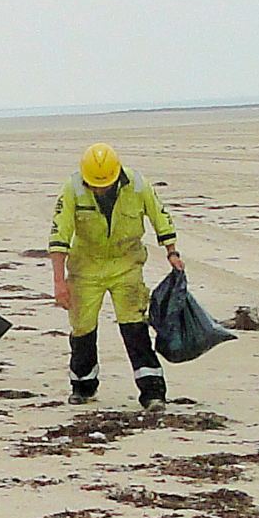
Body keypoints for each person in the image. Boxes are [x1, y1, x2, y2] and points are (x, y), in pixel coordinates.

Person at [50, 143, 181, 409]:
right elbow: (59, 234)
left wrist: (172, 252)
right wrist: (59, 282)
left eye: (104, 184)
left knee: (135, 327)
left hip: (126, 265)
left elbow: (160, 216)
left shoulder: (137, 184)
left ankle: (153, 391)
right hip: (86, 268)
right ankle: (83, 386)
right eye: (95, 185)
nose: (100, 189)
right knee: (83, 329)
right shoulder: (73, 188)